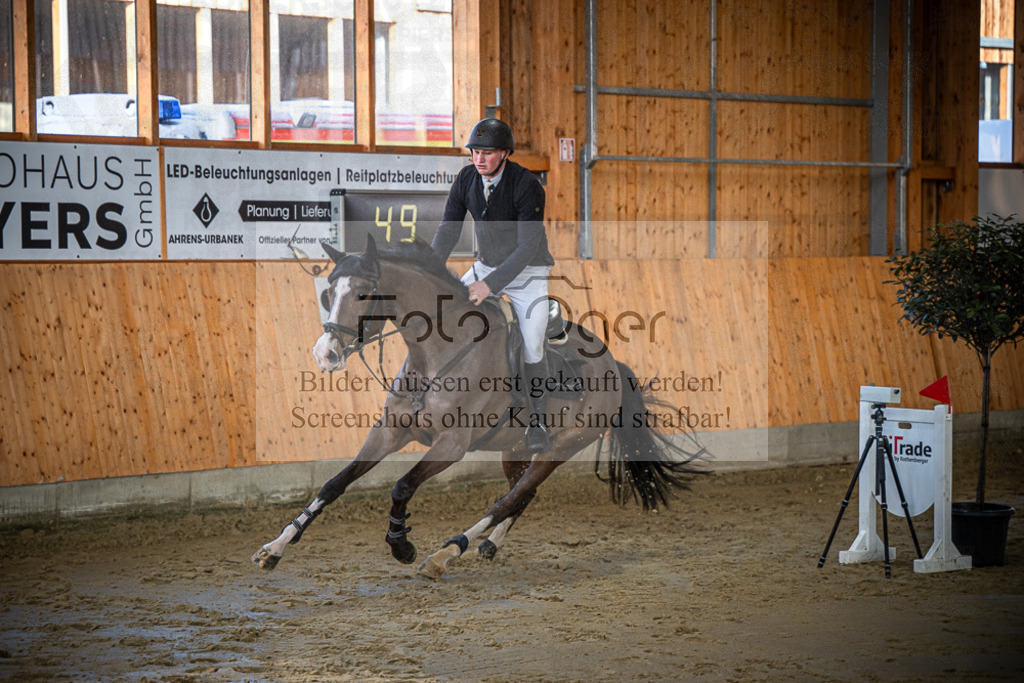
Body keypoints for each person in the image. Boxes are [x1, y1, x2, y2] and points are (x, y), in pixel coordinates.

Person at [431, 118, 555, 454]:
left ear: (504, 153)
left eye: (486, 152)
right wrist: (429, 266)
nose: (478, 158)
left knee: (532, 344)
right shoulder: (467, 178)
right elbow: (448, 230)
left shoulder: (527, 186)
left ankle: (538, 421)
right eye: (474, 151)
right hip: (485, 266)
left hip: (527, 274)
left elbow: (528, 246)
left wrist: (490, 285)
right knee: (446, 317)